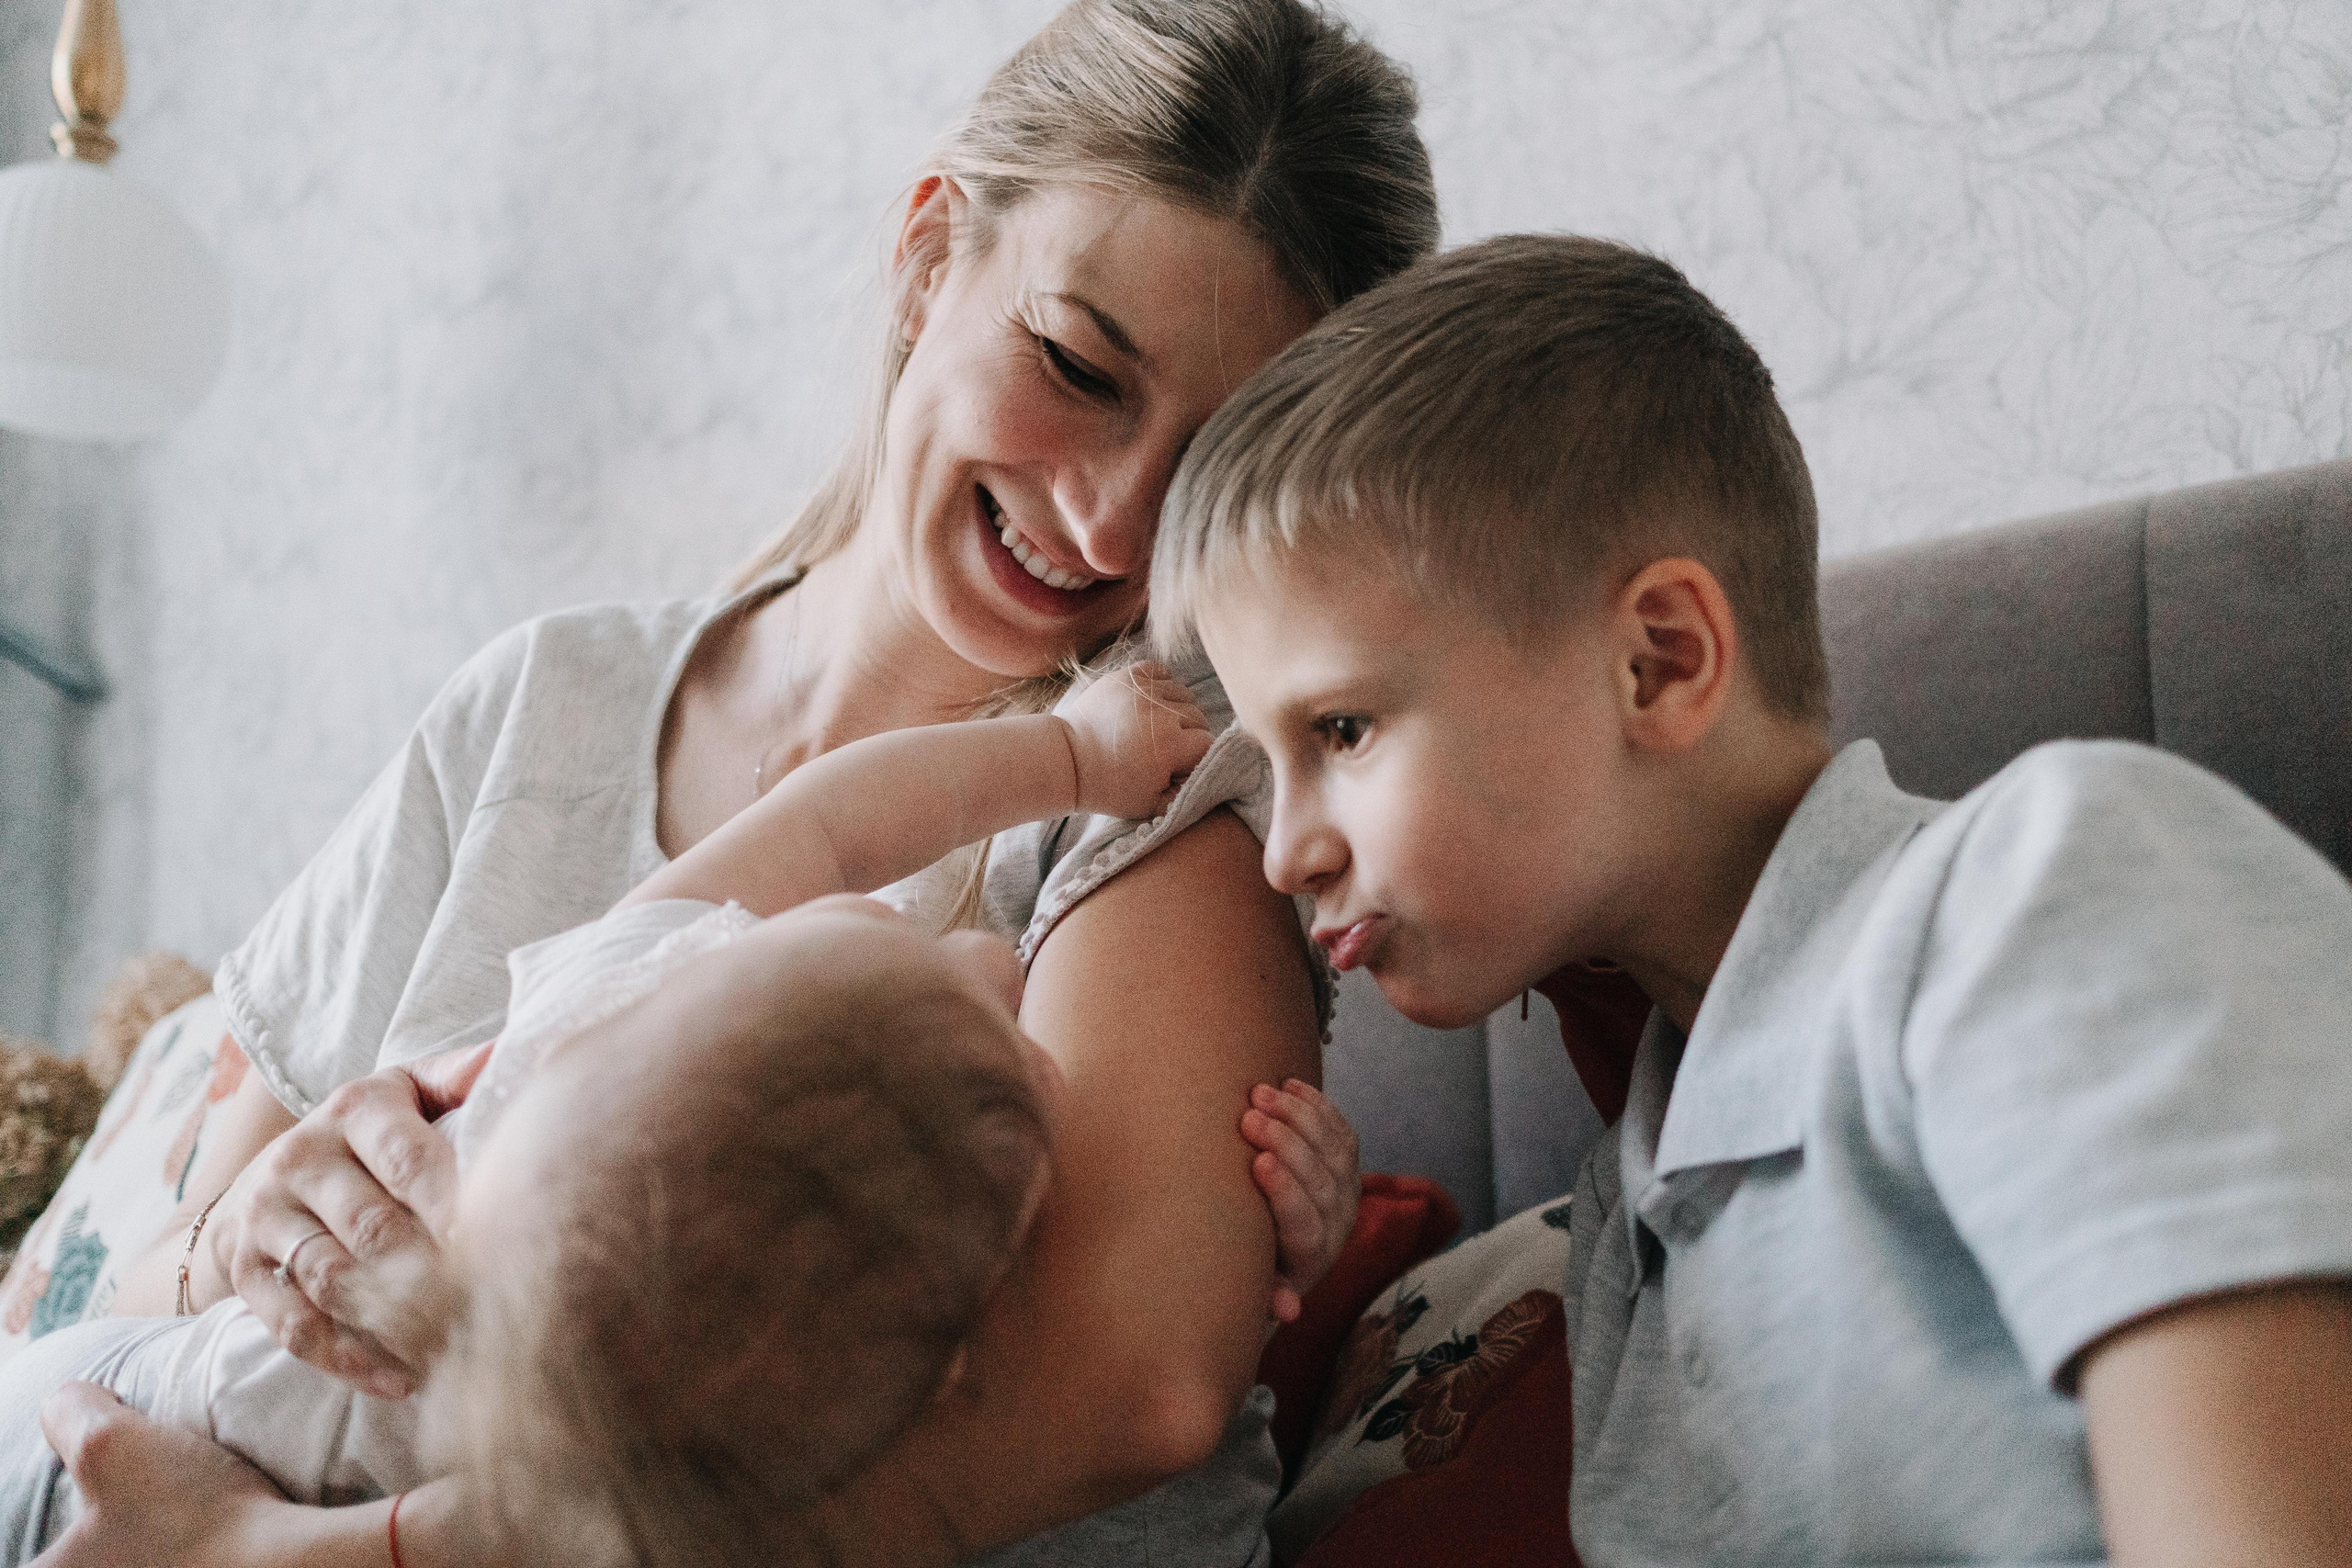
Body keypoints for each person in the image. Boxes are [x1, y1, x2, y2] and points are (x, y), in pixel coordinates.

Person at [12, 2, 1440, 1562]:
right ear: (927, 256)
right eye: (1078, 367)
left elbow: (1124, 1397)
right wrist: (261, 1235)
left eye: (1209, 466)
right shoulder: (540, 706)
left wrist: (319, 1560)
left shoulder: (1172, 790)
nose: (1107, 526)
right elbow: (149, 1303)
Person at [1152, 233, 2352, 1563]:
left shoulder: (2043, 886)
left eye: (1344, 728)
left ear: (1659, 662)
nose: (1286, 854)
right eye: (1271, 769)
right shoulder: (1633, 1211)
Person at [3, 664, 1343, 1567]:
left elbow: (1138, 1392)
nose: (991, 962)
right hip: (97, 1399)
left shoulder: (618, 1118)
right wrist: (1065, 747)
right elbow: (825, 835)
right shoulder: (612, 1047)